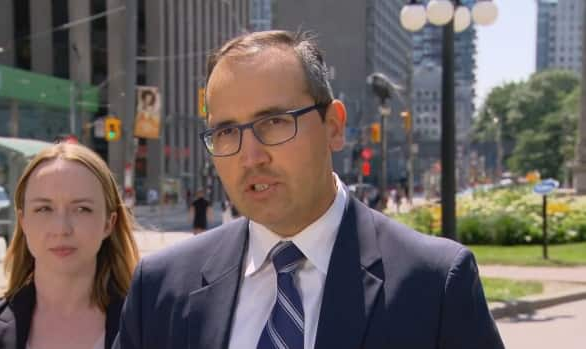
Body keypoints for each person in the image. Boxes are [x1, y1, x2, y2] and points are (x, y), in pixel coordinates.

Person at [115, 30, 504, 349]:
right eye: (227, 131)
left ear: (333, 127)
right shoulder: (161, 287)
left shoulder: (434, 285)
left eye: (274, 122)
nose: (251, 156)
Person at [0, 142, 140, 349]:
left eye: (82, 209)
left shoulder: (151, 327)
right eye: (44, 209)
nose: (61, 229)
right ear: (23, 221)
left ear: (108, 223)